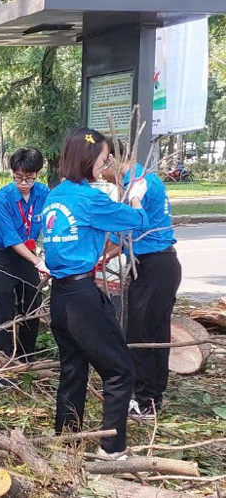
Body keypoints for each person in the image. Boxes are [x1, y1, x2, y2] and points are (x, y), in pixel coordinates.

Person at [42, 128, 149, 459]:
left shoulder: (55, 196)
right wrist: (135, 195)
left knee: (73, 369)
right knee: (120, 370)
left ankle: (67, 443)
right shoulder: (90, 199)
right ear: (89, 160)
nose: (106, 164)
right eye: (103, 159)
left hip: (59, 297)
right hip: (82, 297)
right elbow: (138, 220)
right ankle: (112, 448)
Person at [102, 142, 181, 420]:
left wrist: (98, 257)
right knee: (152, 332)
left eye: (100, 162)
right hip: (156, 265)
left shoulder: (138, 183)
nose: (98, 171)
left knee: (143, 334)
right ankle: (151, 397)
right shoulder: (135, 180)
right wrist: (105, 259)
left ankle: (146, 401)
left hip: (155, 265)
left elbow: (120, 232)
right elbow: (124, 239)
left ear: (112, 158)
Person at [0, 147, 50, 362]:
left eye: (28, 178)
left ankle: (26, 354)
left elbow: (50, 224)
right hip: (3, 254)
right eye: (18, 178)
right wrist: (38, 261)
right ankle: (3, 357)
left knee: (32, 300)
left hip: (28, 252)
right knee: (4, 305)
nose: (23, 183)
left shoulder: (43, 193)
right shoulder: (1, 199)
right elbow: (11, 238)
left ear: (37, 174)